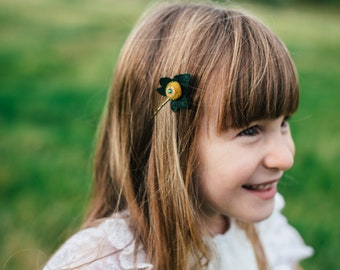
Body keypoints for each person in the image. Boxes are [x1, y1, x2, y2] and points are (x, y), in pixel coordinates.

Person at [43, 2, 313, 270]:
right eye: (250, 131)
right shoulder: (105, 262)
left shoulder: (263, 230)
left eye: (284, 122)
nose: (285, 157)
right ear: (171, 141)